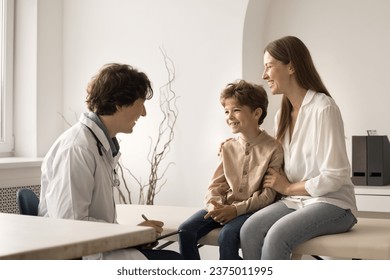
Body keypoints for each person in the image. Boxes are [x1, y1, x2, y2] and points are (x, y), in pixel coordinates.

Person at [38, 63, 183, 260]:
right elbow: (70, 226)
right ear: (119, 104)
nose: (144, 113)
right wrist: (130, 234)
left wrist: (133, 235)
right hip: (84, 257)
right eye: (140, 103)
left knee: (174, 259)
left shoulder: (100, 145)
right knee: (175, 262)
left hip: (100, 248)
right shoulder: (77, 149)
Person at [240, 36, 358, 260]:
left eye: (269, 66)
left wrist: (287, 188)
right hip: (297, 201)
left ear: (291, 66)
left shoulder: (324, 108)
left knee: (276, 236)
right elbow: (280, 165)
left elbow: (336, 176)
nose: (264, 75)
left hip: (333, 204)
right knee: (250, 229)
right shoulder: (281, 116)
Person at [178, 80, 284, 260]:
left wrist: (235, 211)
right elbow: (215, 185)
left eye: (236, 110)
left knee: (227, 235)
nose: (229, 117)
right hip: (224, 206)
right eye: (226, 111)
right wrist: (214, 207)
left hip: (252, 211)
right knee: (185, 230)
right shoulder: (227, 147)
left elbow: (268, 196)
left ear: (256, 113)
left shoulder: (274, 148)